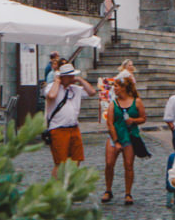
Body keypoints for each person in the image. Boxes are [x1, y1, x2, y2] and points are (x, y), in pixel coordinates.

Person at [102, 70, 146, 205]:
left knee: (128, 165)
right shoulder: (113, 103)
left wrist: (133, 120)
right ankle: (108, 190)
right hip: (116, 137)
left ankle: (128, 193)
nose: (114, 89)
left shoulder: (136, 102)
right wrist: (115, 140)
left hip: (130, 137)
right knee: (109, 164)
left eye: (116, 86)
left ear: (124, 88)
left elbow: (143, 118)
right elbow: (110, 123)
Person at [43, 61, 94, 173]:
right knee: (60, 163)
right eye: (70, 76)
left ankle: (70, 183)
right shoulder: (52, 87)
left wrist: (80, 80)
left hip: (74, 128)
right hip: (58, 128)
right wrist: (57, 81)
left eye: (73, 75)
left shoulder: (75, 88)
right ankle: (57, 187)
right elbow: (51, 96)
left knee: (77, 159)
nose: (72, 78)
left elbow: (92, 92)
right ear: (63, 77)